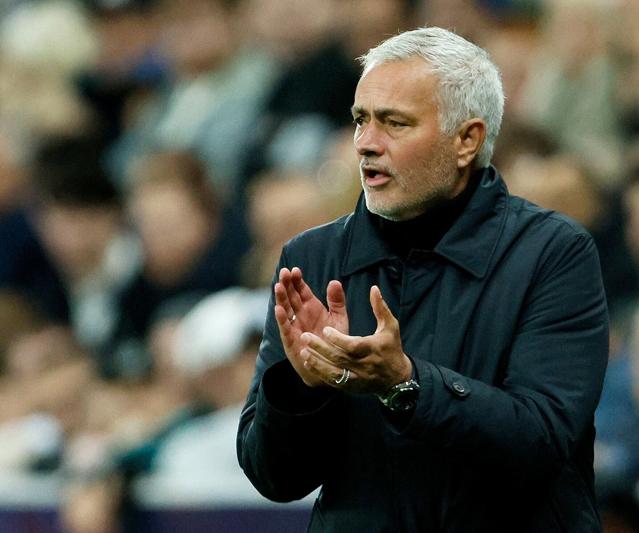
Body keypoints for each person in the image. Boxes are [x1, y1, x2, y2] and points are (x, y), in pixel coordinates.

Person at [237, 27, 609, 532]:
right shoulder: (312, 257)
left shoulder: (553, 253)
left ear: (467, 140)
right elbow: (274, 478)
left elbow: (542, 439)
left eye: (395, 123)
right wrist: (305, 389)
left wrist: (406, 384)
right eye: (361, 120)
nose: (366, 144)